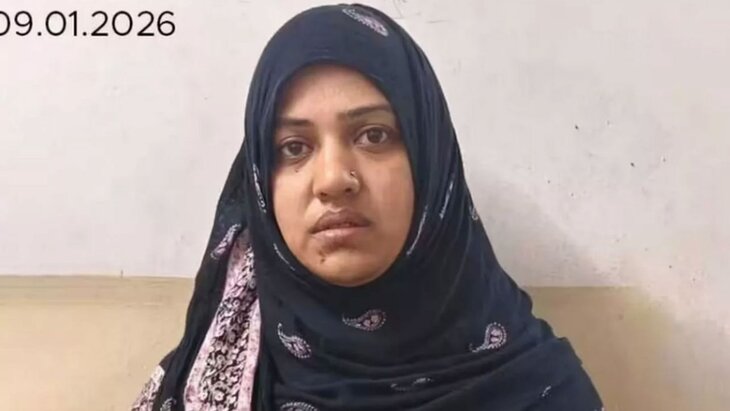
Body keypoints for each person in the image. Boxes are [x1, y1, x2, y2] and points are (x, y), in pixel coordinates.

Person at [132, 4, 603, 411]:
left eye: (374, 135)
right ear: (260, 183)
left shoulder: (542, 390)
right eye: (294, 147)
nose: (333, 179)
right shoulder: (205, 381)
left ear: (430, 160)